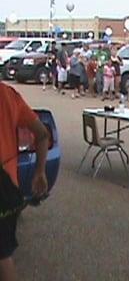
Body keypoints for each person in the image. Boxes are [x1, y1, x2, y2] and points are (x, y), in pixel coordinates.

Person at [0, 81, 49, 281]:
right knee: (3, 255)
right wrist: (40, 171)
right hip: (7, 189)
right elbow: (43, 134)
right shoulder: (8, 95)